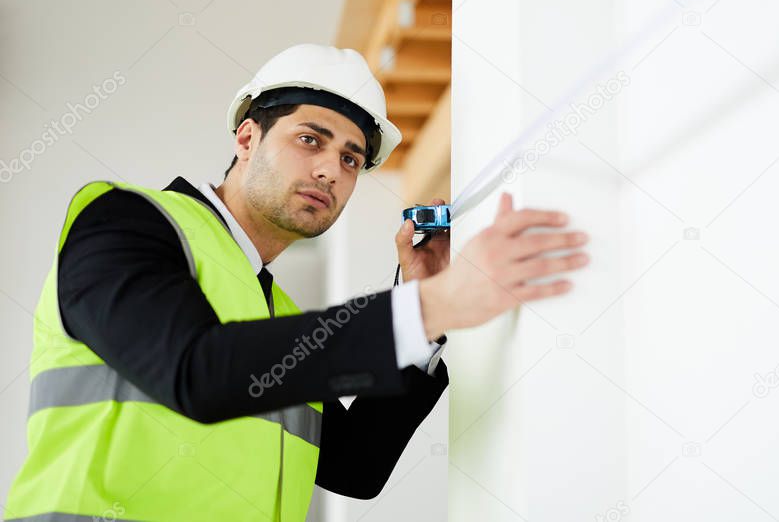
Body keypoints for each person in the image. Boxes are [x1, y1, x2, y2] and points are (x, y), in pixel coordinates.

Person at [4, 44, 590, 521]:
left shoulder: (275, 315)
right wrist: (433, 307)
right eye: (310, 139)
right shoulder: (127, 221)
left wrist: (418, 305)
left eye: (352, 159)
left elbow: (355, 468)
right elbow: (194, 372)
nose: (329, 169)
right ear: (247, 138)